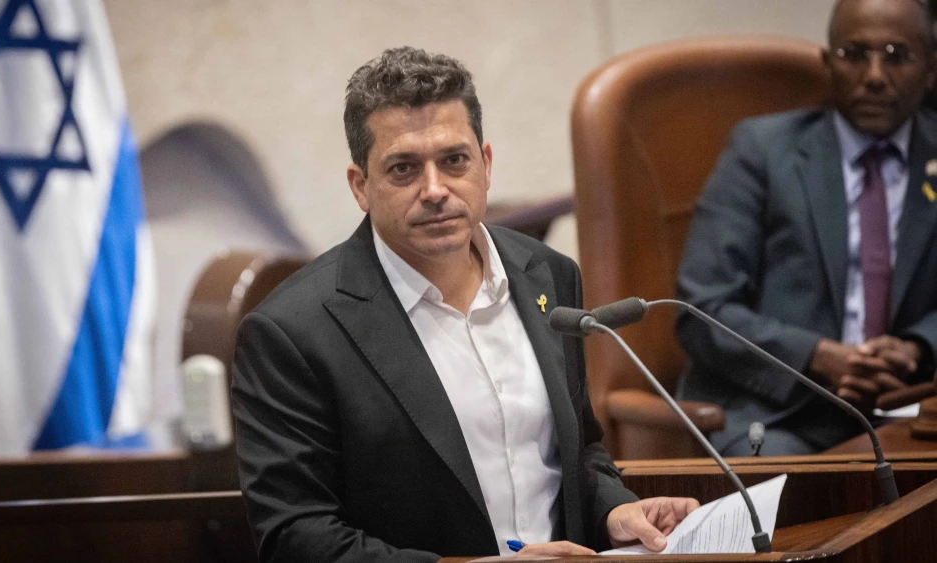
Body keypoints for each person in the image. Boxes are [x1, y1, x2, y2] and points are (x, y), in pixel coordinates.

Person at [232, 47, 697, 561]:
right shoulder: (292, 332)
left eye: (454, 160)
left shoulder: (549, 274)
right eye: (404, 169)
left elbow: (575, 450)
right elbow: (296, 538)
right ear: (360, 186)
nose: (435, 190)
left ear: (486, 163)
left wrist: (612, 510)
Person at [677, 0, 937, 457]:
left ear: (931, 70)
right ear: (826, 64)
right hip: (779, 409)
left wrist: (918, 347)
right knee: (787, 490)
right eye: (854, 54)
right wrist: (816, 356)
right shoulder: (761, 151)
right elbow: (702, 308)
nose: (875, 75)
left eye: (897, 55)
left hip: (908, 402)